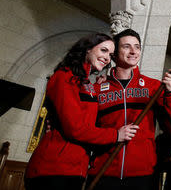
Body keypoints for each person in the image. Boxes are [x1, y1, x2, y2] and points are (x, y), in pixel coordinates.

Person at [25, 33, 138, 190]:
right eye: (103, 50)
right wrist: (116, 135)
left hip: (76, 169)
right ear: (87, 49)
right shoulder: (64, 76)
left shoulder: (86, 83)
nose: (107, 58)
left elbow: (88, 118)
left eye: (110, 54)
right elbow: (75, 128)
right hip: (52, 169)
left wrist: (100, 86)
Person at [87, 29, 171, 190]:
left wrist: (170, 92)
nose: (133, 51)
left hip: (141, 176)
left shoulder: (153, 86)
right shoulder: (98, 89)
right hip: (103, 172)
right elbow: (87, 130)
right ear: (114, 54)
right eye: (127, 47)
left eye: (137, 47)